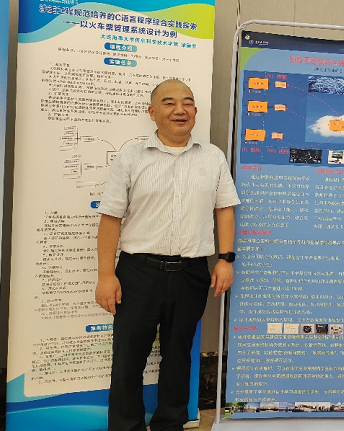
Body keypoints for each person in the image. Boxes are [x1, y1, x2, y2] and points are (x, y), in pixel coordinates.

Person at [95, 79, 240, 431]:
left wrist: (225, 259)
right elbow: (111, 217)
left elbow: (224, 210)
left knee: (179, 355)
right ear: (152, 112)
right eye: (169, 102)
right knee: (129, 358)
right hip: (138, 273)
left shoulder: (213, 157)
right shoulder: (131, 158)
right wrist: (105, 275)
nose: (180, 110)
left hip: (191, 273)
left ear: (195, 111)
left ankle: (170, 425)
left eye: (187, 103)